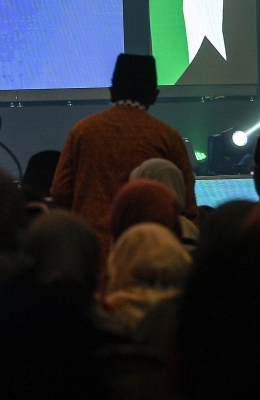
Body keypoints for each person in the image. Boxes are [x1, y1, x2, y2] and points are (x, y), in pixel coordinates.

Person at [50, 54, 197, 265]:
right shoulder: (167, 137)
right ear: (154, 95)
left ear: (112, 92)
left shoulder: (83, 131)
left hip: (91, 253)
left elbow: (60, 192)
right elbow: (187, 207)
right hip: (146, 254)